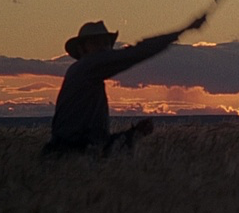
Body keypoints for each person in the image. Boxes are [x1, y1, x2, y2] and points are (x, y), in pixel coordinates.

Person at [42, 15, 205, 158]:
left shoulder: (83, 74)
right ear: (82, 48)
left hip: (66, 154)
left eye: (106, 43)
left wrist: (134, 134)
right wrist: (182, 31)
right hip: (69, 155)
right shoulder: (88, 67)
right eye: (97, 43)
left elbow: (99, 145)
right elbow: (136, 53)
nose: (104, 47)